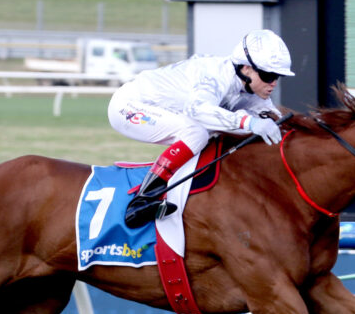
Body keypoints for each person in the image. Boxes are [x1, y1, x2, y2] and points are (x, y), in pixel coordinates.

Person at [108, 29, 294, 228]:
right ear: (246, 68)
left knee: (219, 131)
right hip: (128, 106)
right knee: (197, 133)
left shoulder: (251, 89)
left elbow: (273, 118)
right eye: (268, 75)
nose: (273, 83)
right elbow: (197, 111)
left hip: (160, 108)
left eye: (278, 76)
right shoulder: (216, 75)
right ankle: (142, 201)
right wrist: (248, 123)